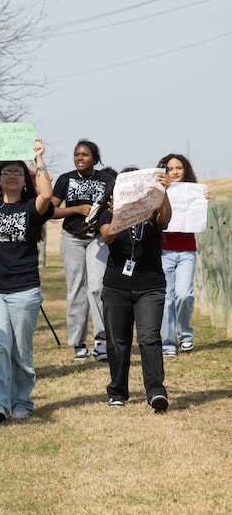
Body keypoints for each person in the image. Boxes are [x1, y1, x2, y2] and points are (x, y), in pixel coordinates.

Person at [0, 136, 54, 422]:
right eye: (7, 172)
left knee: (20, 351)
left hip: (25, 289)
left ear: (24, 179)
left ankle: (22, 401)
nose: (12, 176)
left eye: (18, 172)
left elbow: (46, 194)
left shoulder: (32, 208)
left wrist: (38, 158)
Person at [96, 168, 171, 412]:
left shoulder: (152, 209)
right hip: (117, 286)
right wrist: (120, 212)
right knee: (118, 342)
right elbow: (107, 237)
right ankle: (117, 391)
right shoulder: (108, 212)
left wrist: (164, 194)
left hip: (150, 286)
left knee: (149, 338)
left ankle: (156, 391)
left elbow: (165, 220)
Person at [51, 139, 114, 362]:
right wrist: (75, 209)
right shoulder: (65, 179)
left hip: (97, 238)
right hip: (72, 239)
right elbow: (51, 210)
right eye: (77, 154)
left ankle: (100, 341)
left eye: (85, 155)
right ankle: (78, 342)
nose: (79, 158)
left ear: (95, 159)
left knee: (97, 286)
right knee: (76, 287)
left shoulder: (107, 180)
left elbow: (115, 206)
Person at [158, 154, 206, 356]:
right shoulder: (158, 191)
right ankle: (168, 343)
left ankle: (185, 334)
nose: (175, 171)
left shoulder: (194, 192)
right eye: (170, 168)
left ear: (185, 170)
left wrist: (203, 202)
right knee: (167, 297)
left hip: (187, 250)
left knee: (184, 294)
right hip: (164, 251)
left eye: (179, 167)